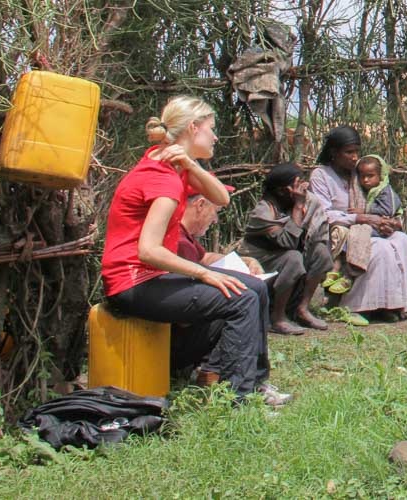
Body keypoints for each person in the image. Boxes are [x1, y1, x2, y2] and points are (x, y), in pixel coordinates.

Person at [101, 95, 290, 406]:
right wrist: (204, 273)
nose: (215, 136)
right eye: (211, 128)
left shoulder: (175, 168)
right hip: (132, 283)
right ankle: (239, 400)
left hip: (150, 277)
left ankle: (256, 384)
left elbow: (221, 198)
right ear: (193, 128)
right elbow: (148, 250)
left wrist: (190, 164)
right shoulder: (162, 178)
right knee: (241, 297)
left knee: (255, 287)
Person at [310, 126, 407, 324]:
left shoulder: (359, 173)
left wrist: (388, 223)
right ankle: (355, 305)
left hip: (370, 226)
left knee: (402, 240)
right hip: (340, 230)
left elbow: (380, 204)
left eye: (357, 152)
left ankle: (393, 304)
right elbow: (323, 213)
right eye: (349, 152)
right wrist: (362, 219)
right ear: (334, 153)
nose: (354, 157)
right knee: (381, 248)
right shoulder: (321, 176)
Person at [171, 191, 268, 387]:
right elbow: (183, 317)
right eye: (216, 211)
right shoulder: (178, 241)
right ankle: (215, 373)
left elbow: (204, 258)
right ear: (200, 205)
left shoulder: (184, 237)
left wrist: (243, 262)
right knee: (244, 303)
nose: (215, 220)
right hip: (176, 341)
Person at [239, 163, 332, 335]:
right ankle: (278, 318)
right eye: (297, 185)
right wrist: (298, 207)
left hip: (290, 256)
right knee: (293, 258)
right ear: (283, 190)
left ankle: (302, 309)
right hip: (262, 263)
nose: (303, 189)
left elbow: (318, 234)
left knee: (321, 253)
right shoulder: (263, 211)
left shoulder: (308, 201)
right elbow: (287, 241)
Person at [322, 154, 403, 296]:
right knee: (345, 233)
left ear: (381, 176)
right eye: (362, 176)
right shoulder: (362, 191)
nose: (365, 180)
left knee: (358, 235)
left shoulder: (385, 191)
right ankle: (335, 269)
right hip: (371, 225)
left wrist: (365, 211)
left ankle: (349, 275)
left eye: (370, 176)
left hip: (383, 227)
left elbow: (388, 210)